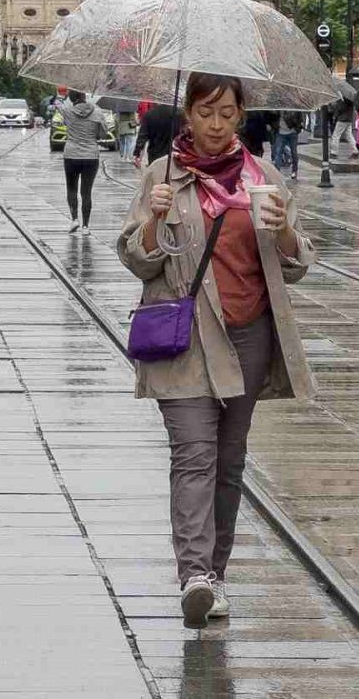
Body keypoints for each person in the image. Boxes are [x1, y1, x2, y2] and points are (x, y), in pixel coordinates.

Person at [118, 72, 316, 630]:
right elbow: (137, 260)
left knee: (229, 461)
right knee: (194, 454)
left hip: (248, 335)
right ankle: (195, 576)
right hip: (185, 336)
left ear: (241, 114)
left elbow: (299, 264)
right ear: (188, 113)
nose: (216, 123)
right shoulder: (162, 176)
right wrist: (154, 217)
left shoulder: (264, 177)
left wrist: (281, 233)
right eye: (205, 112)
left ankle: (217, 576)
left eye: (227, 112)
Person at [57, 90, 104, 234]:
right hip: (91, 155)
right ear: (84, 96)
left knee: (71, 188)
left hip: (71, 154)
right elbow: (102, 134)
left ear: (71, 99)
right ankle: (86, 226)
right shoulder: (97, 112)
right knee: (86, 191)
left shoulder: (67, 111)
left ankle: (74, 219)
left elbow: (64, 122)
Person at [133, 102, 182, 166]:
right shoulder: (179, 114)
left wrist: (137, 153)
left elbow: (142, 136)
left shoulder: (149, 115)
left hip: (155, 156)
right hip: (174, 155)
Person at [272, 111, 302, 180]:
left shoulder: (292, 108)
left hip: (292, 133)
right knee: (278, 152)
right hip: (280, 133)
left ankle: (294, 170)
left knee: (294, 152)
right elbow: (272, 119)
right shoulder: (277, 108)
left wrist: (297, 129)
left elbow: (299, 118)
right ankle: (277, 171)